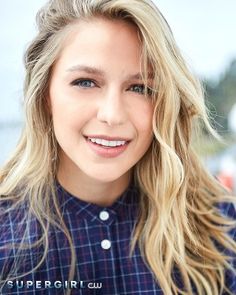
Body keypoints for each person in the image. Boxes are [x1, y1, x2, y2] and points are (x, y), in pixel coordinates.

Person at [0, 0, 235, 294]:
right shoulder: (5, 238)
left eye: (139, 88)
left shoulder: (219, 224)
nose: (112, 115)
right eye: (85, 82)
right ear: (45, 94)